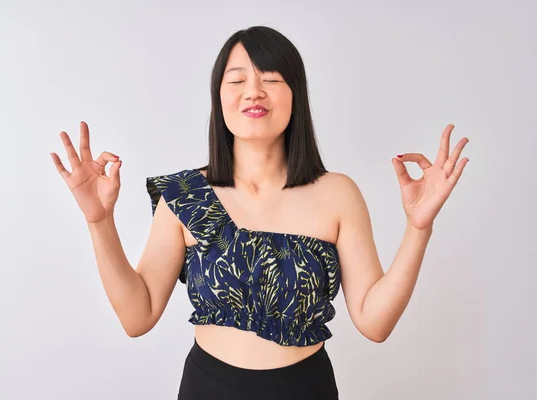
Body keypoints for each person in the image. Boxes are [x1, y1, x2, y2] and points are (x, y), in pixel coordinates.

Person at [50, 26, 469, 400]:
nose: (253, 91)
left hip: (307, 389)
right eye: (237, 80)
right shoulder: (186, 194)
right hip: (208, 389)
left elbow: (375, 324)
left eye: (270, 79)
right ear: (220, 97)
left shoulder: (337, 193)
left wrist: (419, 227)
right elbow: (136, 316)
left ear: (296, 96)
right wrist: (99, 221)